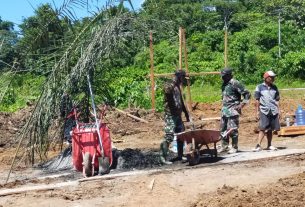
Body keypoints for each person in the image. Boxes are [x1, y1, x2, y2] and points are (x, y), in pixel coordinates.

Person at [160, 70, 190, 164]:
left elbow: (181, 101)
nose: (183, 80)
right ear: (179, 77)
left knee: (181, 135)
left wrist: (186, 113)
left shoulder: (178, 87)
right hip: (170, 115)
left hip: (178, 115)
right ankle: (163, 158)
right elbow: (167, 91)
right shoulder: (170, 84)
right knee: (169, 136)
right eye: (182, 78)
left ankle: (180, 156)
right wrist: (173, 83)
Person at [219, 68, 251, 154]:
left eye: (224, 76)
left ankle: (234, 147)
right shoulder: (224, 84)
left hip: (233, 110)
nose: (223, 78)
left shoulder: (235, 83)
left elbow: (247, 94)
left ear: (229, 75)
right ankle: (224, 146)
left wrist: (242, 105)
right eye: (222, 76)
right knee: (223, 129)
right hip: (225, 110)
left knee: (233, 129)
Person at [253, 71, 280, 151]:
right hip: (264, 110)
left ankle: (269, 145)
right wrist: (257, 111)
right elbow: (257, 100)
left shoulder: (275, 87)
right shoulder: (259, 87)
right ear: (266, 78)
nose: (273, 79)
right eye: (271, 77)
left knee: (271, 128)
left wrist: (279, 110)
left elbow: (277, 100)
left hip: (273, 110)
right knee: (262, 128)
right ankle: (258, 145)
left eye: (273, 77)